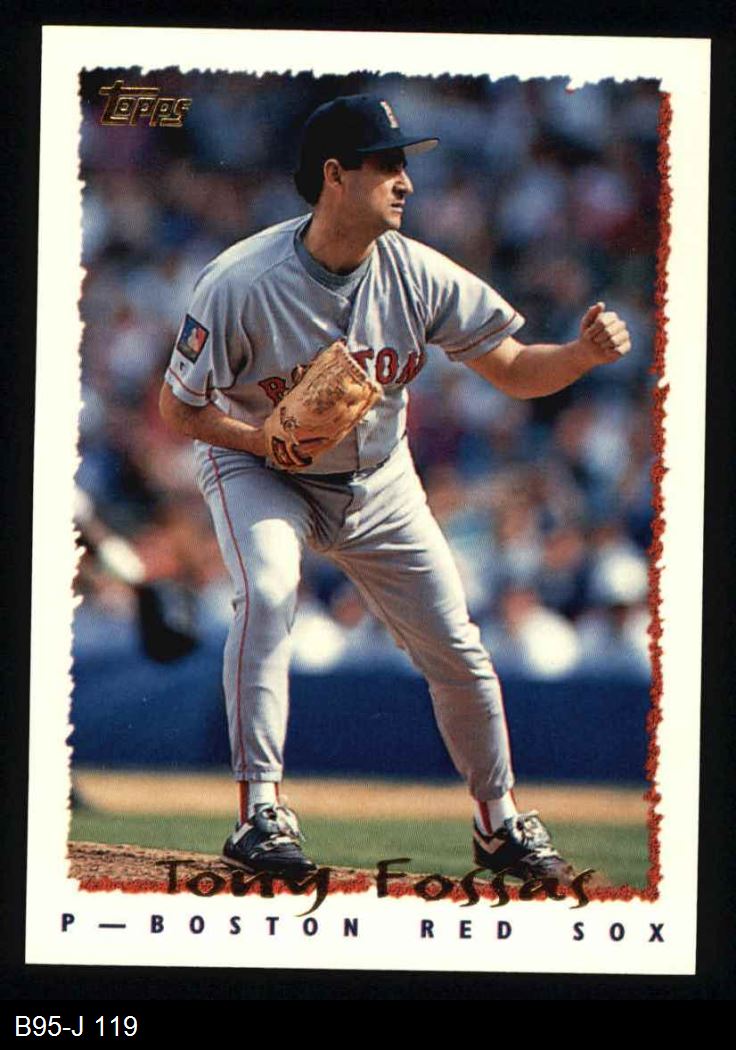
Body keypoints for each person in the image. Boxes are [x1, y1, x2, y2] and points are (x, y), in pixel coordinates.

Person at [159, 94, 631, 884]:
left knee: (456, 644)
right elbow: (179, 408)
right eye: (386, 164)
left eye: (404, 164)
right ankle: (258, 813)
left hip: (378, 479)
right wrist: (259, 439)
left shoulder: (416, 273)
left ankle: (499, 823)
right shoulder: (241, 280)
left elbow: (515, 369)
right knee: (268, 593)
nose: (406, 180)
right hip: (258, 468)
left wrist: (580, 355)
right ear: (334, 176)